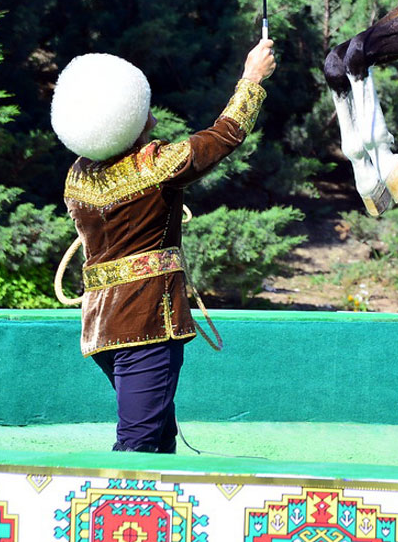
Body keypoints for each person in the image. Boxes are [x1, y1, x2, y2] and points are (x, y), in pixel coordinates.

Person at [51, 36, 276, 452]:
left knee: (158, 435)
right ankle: (116, 514)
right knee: (137, 444)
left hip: (102, 328)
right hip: (147, 326)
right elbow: (225, 136)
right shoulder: (155, 168)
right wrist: (252, 78)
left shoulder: (77, 177)